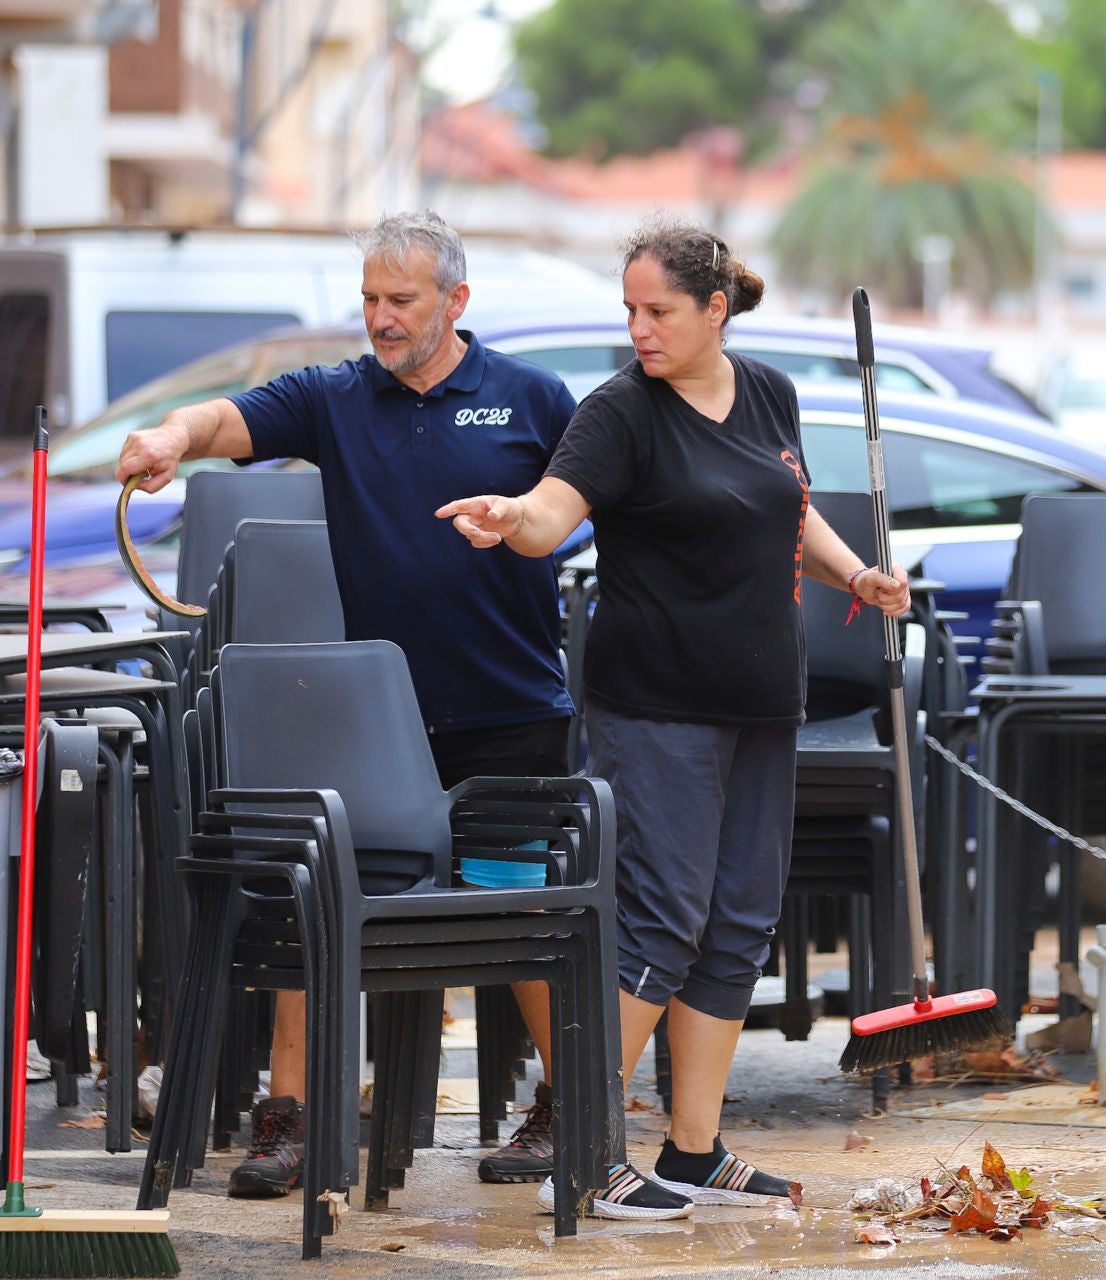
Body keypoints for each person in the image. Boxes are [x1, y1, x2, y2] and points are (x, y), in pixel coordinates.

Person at [114, 211, 591, 1202]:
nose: (378, 317)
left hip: (508, 706)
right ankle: (288, 1118)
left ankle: (568, 1108)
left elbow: (598, 502)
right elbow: (225, 420)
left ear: (455, 302)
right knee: (312, 889)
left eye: (399, 300)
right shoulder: (336, 396)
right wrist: (168, 436)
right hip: (375, 719)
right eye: (369, 297)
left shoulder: (532, 398)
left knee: (513, 906)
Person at [439, 217, 910, 1217]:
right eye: (629, 310)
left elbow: (790, 510)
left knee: (739, 920)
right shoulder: (620, 414)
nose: (639, 328)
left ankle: (695, 1148)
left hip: (761, 698)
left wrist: (857, 572)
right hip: (655, 705)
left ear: (715, 308)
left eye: (657, 311)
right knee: (661, 919)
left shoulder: (768, 392)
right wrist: (511, 518)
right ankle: (592, 1147)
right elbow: (553, 510)